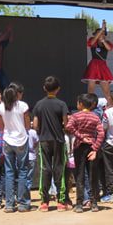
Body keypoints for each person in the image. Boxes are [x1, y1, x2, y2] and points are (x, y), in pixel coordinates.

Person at [32, 76, 70, 212]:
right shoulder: (62, 104)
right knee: (59, 169)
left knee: (45, 169)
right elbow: (66, 124)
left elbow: (35, 125)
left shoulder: (39, 105)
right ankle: (61, 202)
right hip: (59, 140)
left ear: (44, 88)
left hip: (44, 141)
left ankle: (44, 202)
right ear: (58, 89)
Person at [66, 93, 105, 213]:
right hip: (91, 148)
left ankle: (79, 204)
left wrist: (81, 136)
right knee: (93, 176)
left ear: (81, 104)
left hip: (79, 148)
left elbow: (69, 127)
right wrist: (95, 149)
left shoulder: (75, 116)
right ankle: (94, 203)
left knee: (80, 176)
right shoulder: (95, 117)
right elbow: (101, 134)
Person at [0, 82, 31, 213]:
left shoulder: (1, 107)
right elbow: (28, 125)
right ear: (17, 94)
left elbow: (1, 127)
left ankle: (9, 204)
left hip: (7, 141)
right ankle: (23, 203)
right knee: (23, 171)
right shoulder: (23, 106)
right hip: (21, 140)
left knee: (9, 172)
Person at [82, 20, 113, 99]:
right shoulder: (93, 41)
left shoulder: (107, 42)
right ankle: (89, 106)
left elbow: (109, 48)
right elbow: (91, 43)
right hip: (94, 65)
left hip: (103, 66)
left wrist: (103, 40)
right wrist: (102, 30)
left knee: (106, 91)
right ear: (96, 34)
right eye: (98, 33)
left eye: (102, 33)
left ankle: (110, 105)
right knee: (91, 90)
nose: (100, 35)